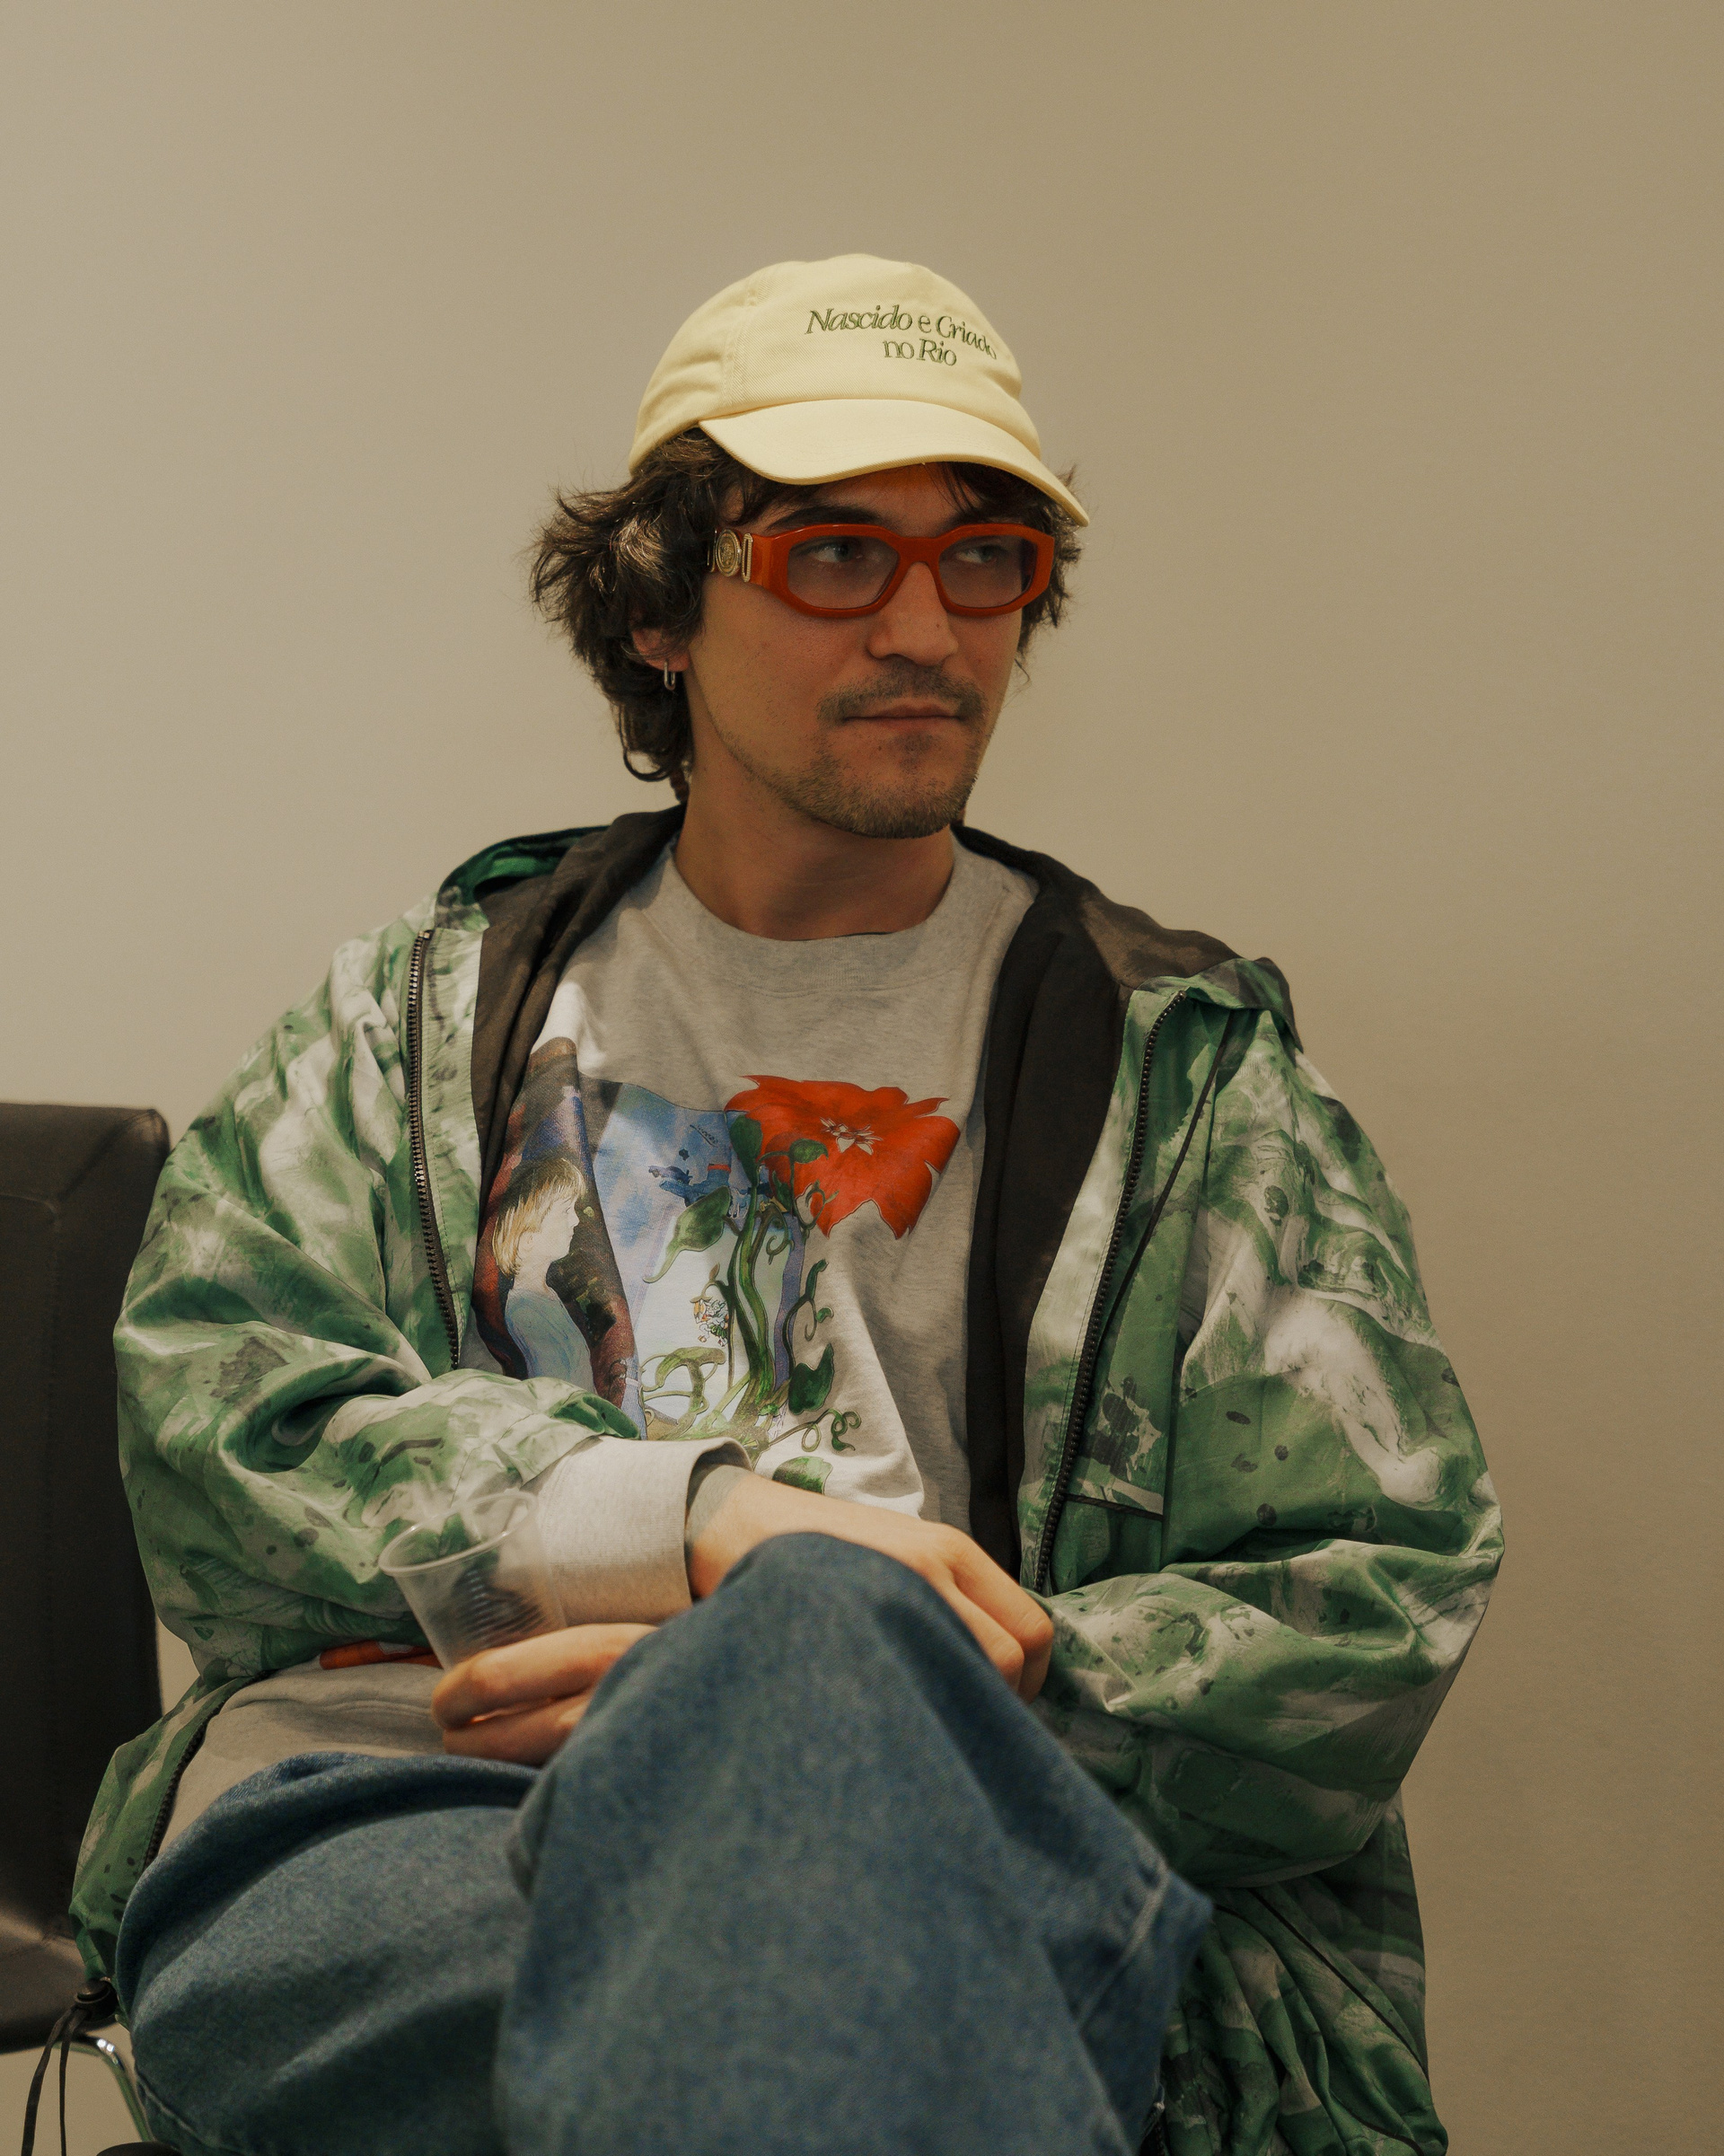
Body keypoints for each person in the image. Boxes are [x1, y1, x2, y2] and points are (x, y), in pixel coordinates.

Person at [73, 255, 1501, 2156]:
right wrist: (693, 1526)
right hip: (417, 1809)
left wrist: (818, 1686)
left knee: (815, 1728)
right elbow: (218, 1420)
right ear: (658, 609)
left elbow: (1371, 1599)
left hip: (975, 1828)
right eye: (835, 554)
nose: (926, 623)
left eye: (982, 559)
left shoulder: (1187, 1078)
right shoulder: (414, 1017)